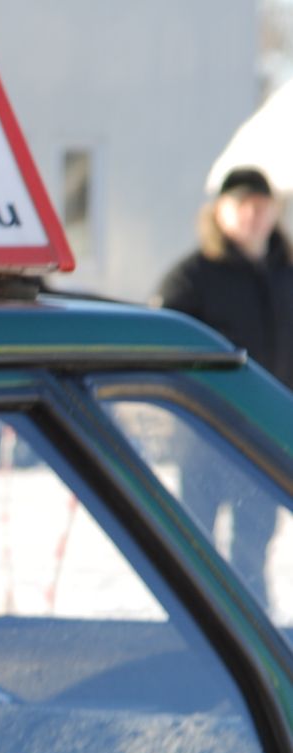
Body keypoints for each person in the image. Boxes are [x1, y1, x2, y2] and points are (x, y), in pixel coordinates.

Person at [153, 165, 292, 601]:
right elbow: (162, 347)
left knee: (253, 543)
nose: (253, 215)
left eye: (261, 206)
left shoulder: (285, 273)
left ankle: (251, 634)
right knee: (195, 544)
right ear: (219, 213)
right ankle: (199, 629)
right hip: (205, 432)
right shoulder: (192, 277)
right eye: (242, 206)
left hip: (265, 432)